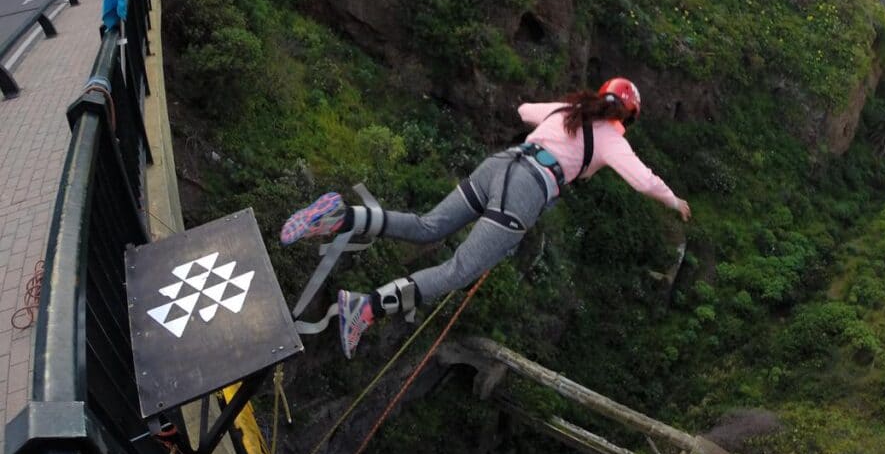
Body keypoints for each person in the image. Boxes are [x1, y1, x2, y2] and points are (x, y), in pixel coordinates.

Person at [280, 78, 691, 359]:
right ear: (627, 118)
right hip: (527, 190)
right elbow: (643, 181)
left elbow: (525, 110)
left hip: (501, 164)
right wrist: (675, 202)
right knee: (458, 271)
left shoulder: (569, 109)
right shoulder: (611, 139)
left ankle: (339, 215)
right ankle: (364, 307)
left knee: (428, 226)